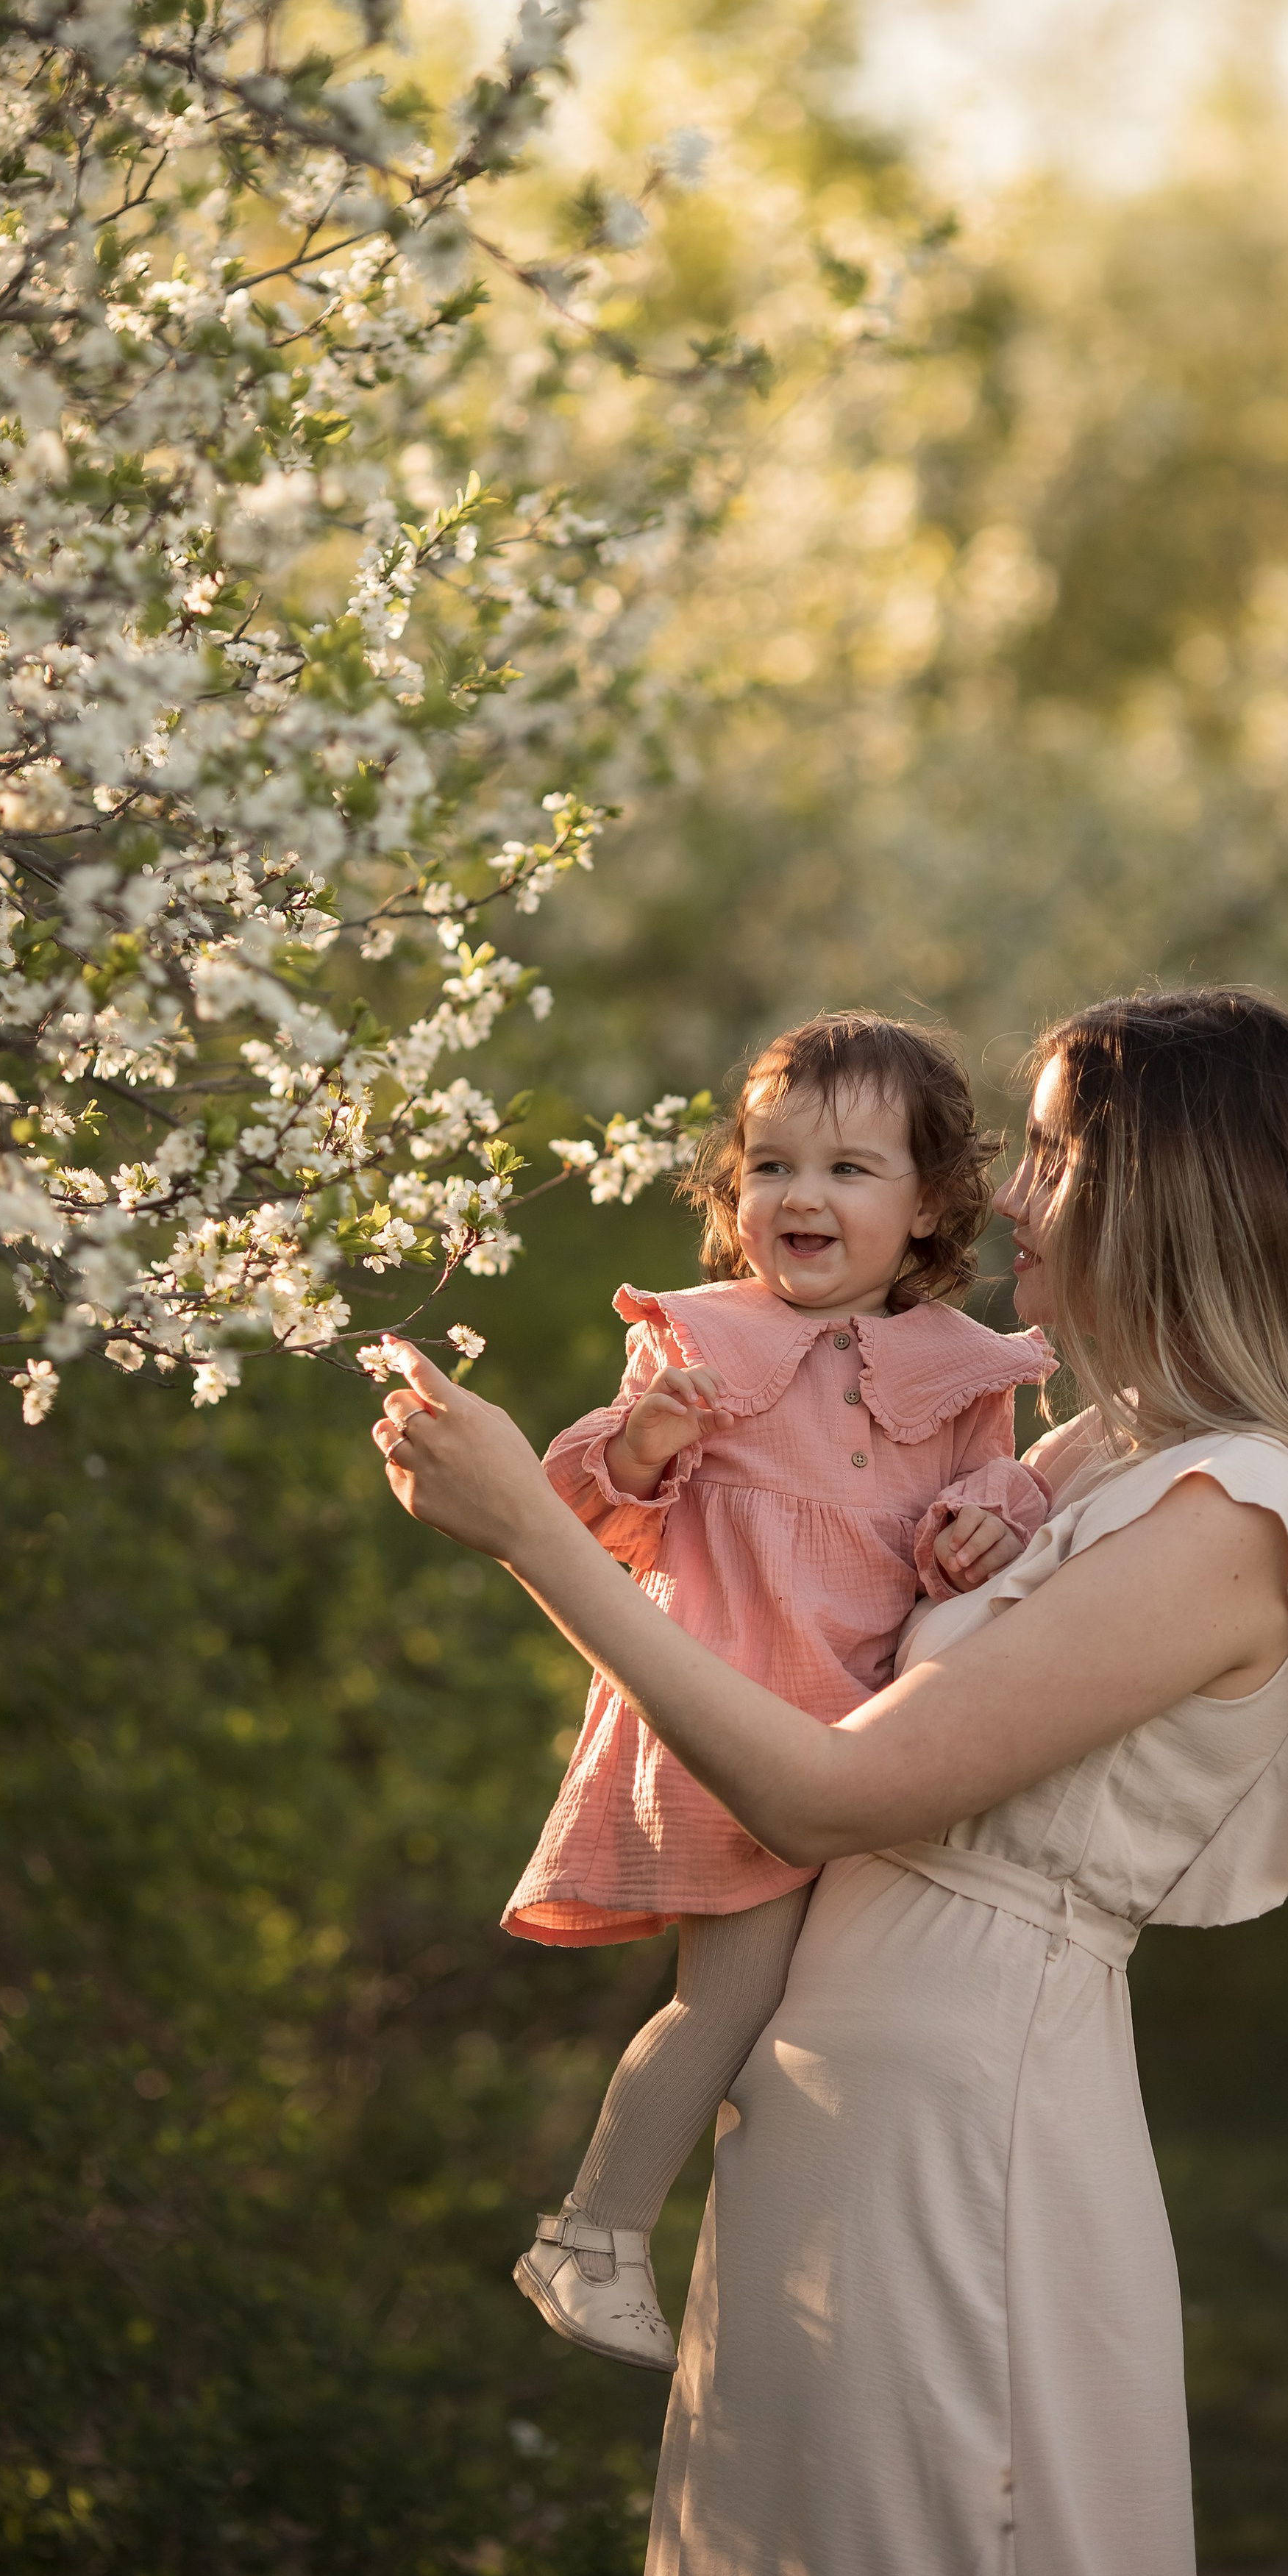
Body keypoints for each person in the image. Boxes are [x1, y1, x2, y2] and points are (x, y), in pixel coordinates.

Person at [371, 986, 1288, 2576]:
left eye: (1049, 1150)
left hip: (961, 2112)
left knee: (930, 2544)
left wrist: (532, 1532)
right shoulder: (1110, 1445)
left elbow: (826, 1795)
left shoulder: (1240, 1507)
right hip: (832, 2081)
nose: (1011, 1195)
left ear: (1174, 1193)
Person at [502, 1013, 1053, 2366]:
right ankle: (593, 2231)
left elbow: (994, 1493)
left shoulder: (968, 1372)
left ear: (929, 1208)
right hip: (735, 1729)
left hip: (875, 1737)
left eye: (850, 1171)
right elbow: (588, 1518)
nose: (800, 1196)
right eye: (770, 1165)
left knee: (835, 2015)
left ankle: (824, 2285)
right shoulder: (693, 1345)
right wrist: (643, 1444)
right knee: (733, 1998)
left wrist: (994, 1510)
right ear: (731, 1185)